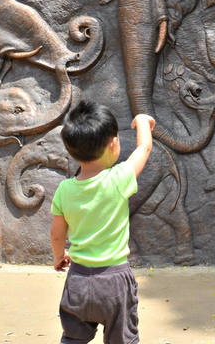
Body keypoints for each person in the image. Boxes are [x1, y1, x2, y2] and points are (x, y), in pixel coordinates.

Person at [50, 100, 155, 344]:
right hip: (115, 282)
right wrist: (142, 121)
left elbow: (56, 233)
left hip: (77, 280)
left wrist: (58, 256)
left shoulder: (64, 190)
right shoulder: (119, 179)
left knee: (73, 338)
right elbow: (144, 149)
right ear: (113, 143)